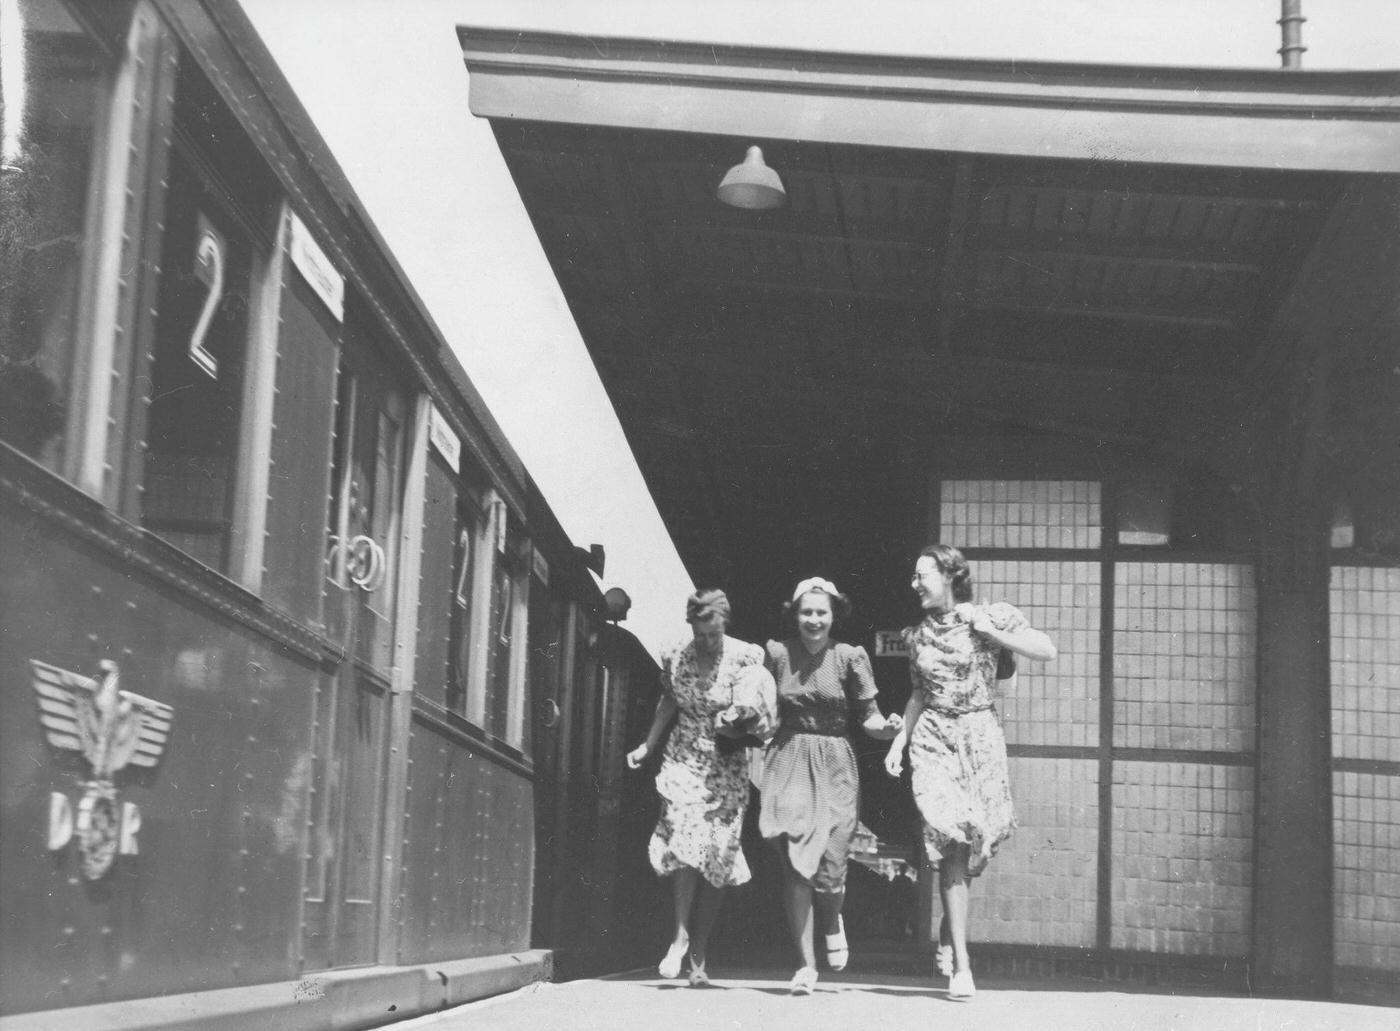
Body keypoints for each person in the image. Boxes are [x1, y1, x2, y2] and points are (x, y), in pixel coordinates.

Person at [883, 545, 1056, 1001]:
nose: (915, 584)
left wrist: (993, 633)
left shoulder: (990, 616)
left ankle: (949, 926)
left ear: (949, 575)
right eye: (914, 577)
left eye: (923, 575)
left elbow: (1047, 650)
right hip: (935, 737)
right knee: (949, 840)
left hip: (979, 735)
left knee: (977, 838)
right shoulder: (917, 636)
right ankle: (962, 964)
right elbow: (919, 694)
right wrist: (901, 740)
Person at [760, 577, 903, 995]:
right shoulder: (778, 654)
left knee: (832, 865)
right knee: (796, 865)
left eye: (822, 612)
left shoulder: (849, 657)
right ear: (796, 613)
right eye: (807, 611)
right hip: (789, 757)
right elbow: (762, 705)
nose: (814, 619)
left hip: (837, 762)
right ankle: (806, 965)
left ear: (834, 614)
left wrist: (887, 728)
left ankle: (832, 917)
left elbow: (869, 717)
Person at [626, 589, 773, 987]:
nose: (707, 643)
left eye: (714, 634)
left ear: (725, 625)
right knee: (682, 842)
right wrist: (647, 744)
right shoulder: (675, 653)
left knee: (716, 858)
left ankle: (700, 951)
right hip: (684, 756)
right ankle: (679, 935)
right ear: (690, 626)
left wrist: (744, 720)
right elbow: (669, 700)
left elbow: (758, 709)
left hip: (726, 763)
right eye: (700, 634)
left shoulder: (746, 656)